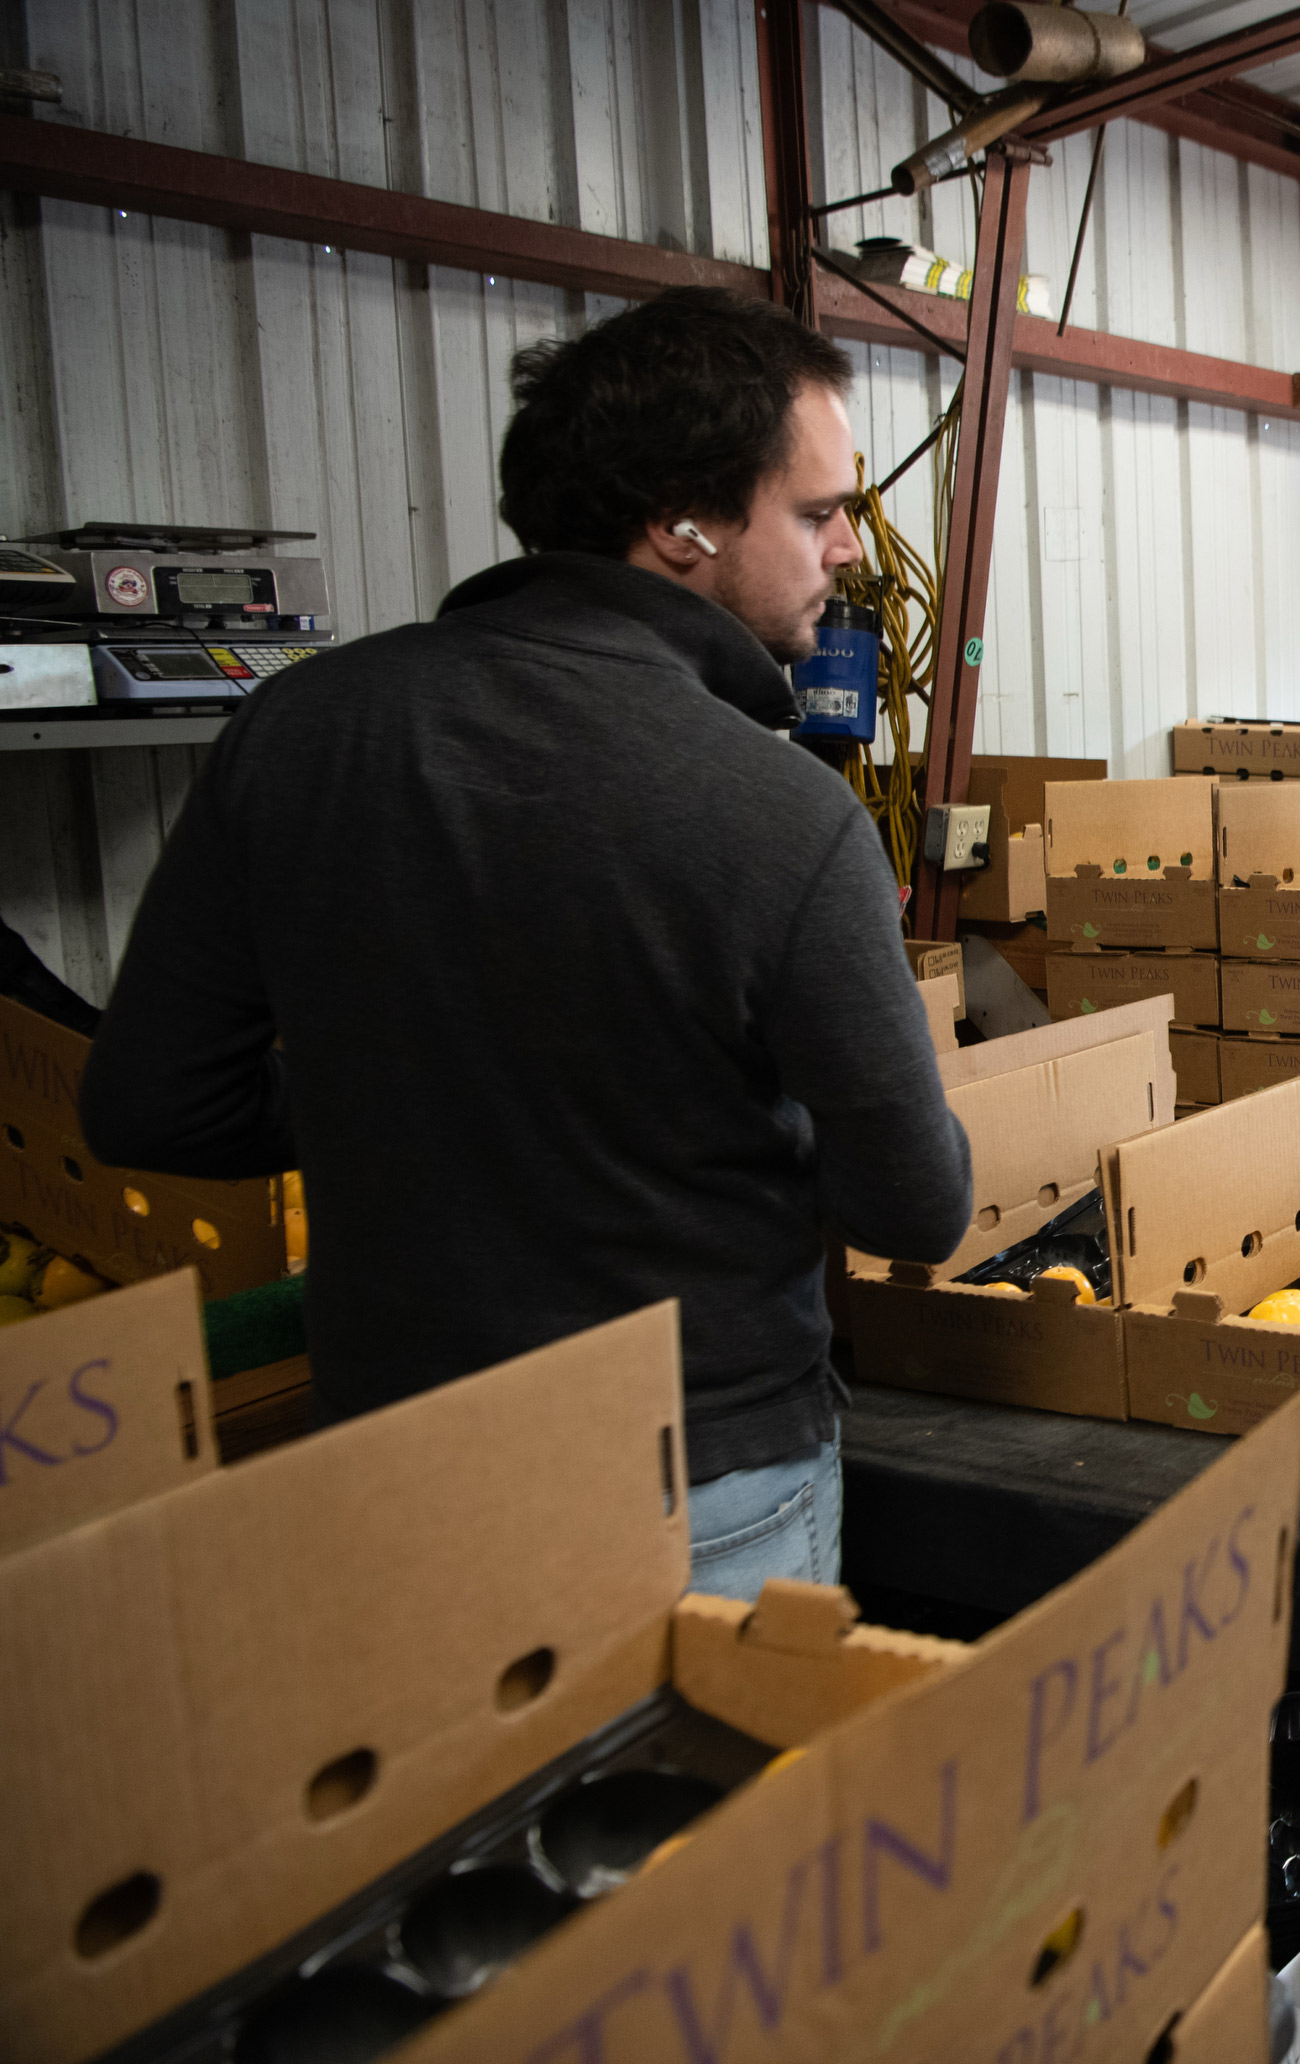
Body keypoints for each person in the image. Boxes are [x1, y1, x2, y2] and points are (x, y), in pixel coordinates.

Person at [79, 288, 972, 1601]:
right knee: (703, 1815)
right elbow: (917, 1202)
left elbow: (153, 1103)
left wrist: (402, 1085)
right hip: (693, 1488)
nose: (847, 549)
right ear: (683, 521)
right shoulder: (779, 811)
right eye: (818, 511)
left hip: (389, 1463)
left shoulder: (297, 733)